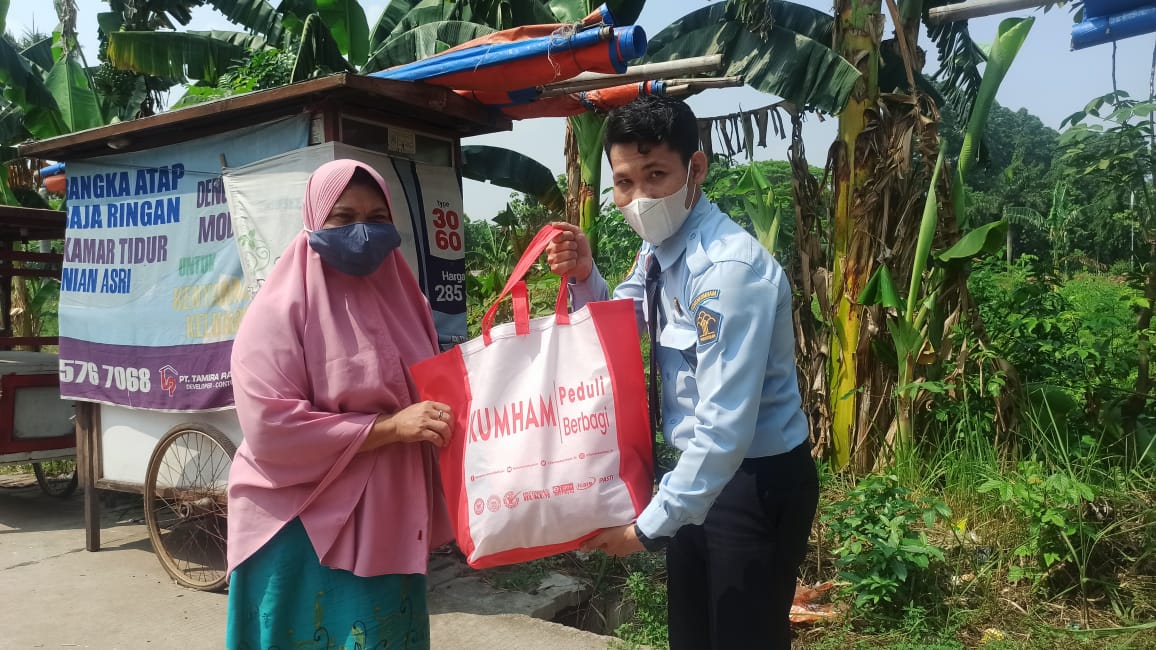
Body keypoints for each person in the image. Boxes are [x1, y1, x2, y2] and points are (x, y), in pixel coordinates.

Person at [545, 96, 820, 649]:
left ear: (695, 169)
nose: (639, 198)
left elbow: (723, 430)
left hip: (751, 482)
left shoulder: (726, 271)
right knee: (694, 636)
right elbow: (619, 326)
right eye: (624, 182)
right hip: (700, 479)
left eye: (656, 175)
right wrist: (583, 274)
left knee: (742, 638)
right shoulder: (660, 251)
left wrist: (645, 529)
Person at [225, 159, 454, 649]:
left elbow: (434, 390)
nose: (362, 232)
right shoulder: (279, 309)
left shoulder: (406, 299)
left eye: (375, 218)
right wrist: (390, 429)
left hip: (390, 515)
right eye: (343, 218)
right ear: (314, 221)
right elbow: (270, 427)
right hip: (299, 523)